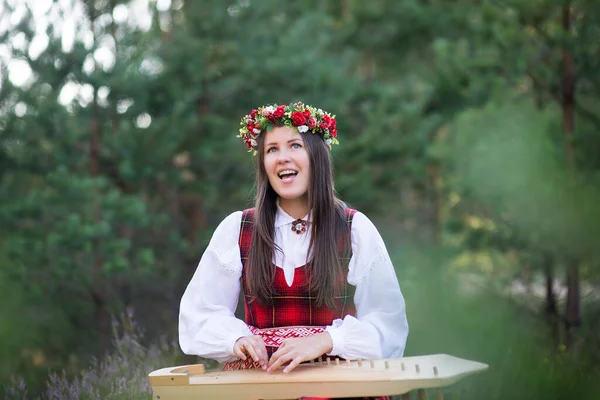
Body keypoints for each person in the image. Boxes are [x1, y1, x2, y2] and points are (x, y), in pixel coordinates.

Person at [178, 102, 408, 400]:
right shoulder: (237, 228)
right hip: (262, 385)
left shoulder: (353, 228)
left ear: (317, 156)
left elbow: (388, 325)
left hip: (338, 387)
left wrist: (326, 340)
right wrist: (236, 339)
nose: (282, 157)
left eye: (294, 145)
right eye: (271, 149)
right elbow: (199, 312)